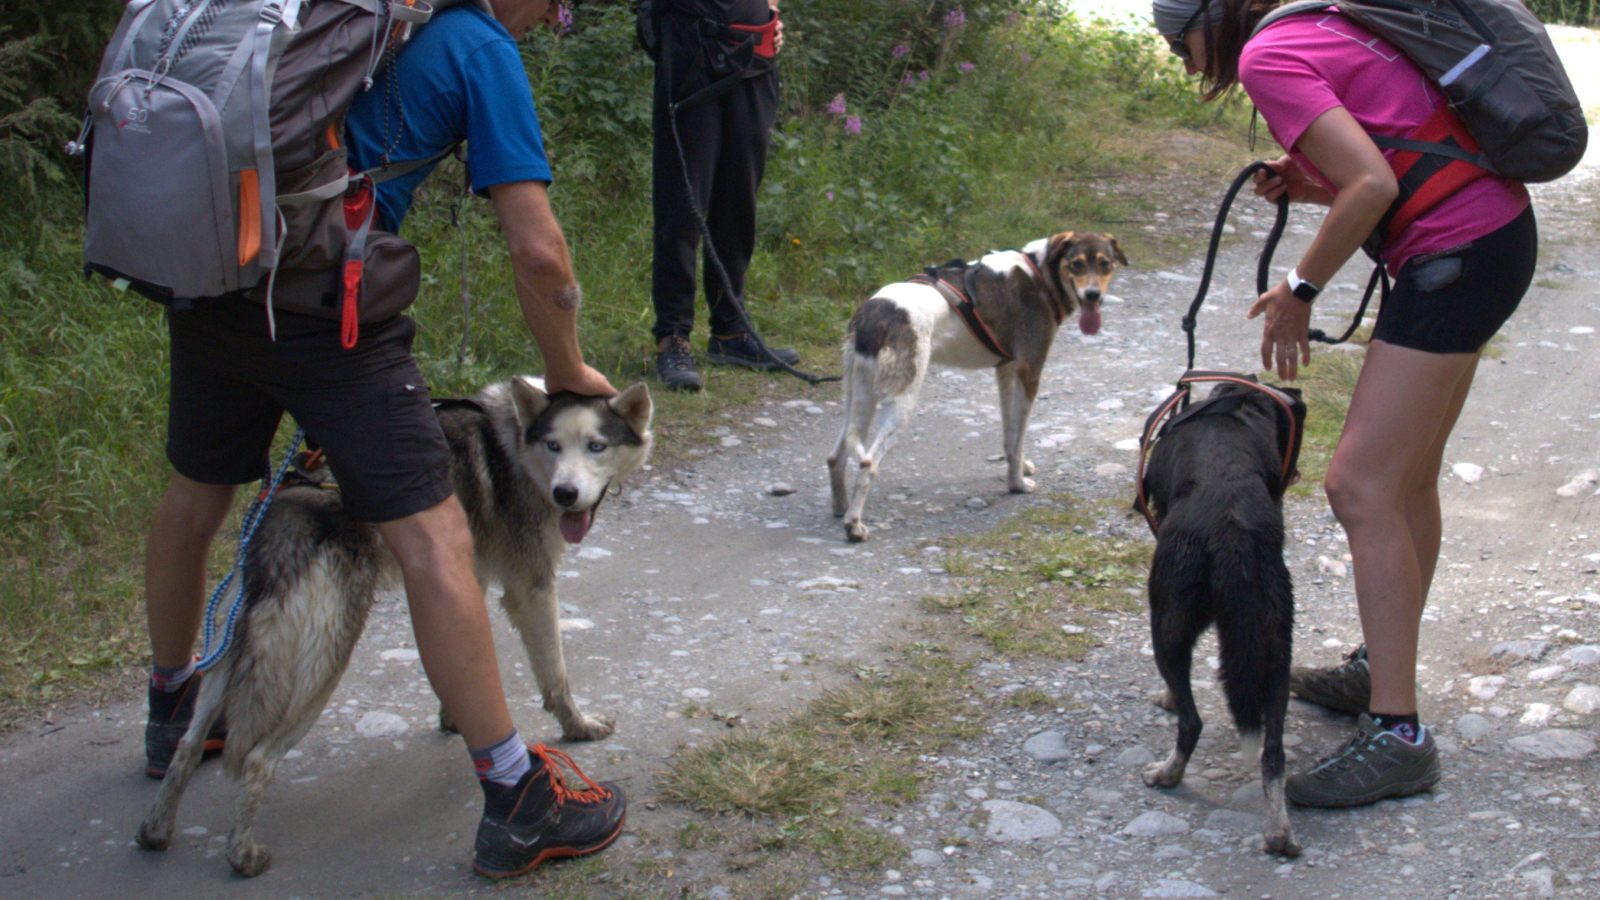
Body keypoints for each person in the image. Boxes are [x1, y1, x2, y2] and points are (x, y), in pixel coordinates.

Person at [142, 0, 625, 878]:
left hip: (215, 269)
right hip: (323, 295)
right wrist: (567, 369)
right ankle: (517, 795)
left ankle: (172, 710)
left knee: (195, 494)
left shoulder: (356, 17)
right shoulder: (478, 43)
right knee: (436, 534)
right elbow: (538, 249)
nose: (552, 13)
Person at [1152, 0, 1535, 807]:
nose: (1185, 63)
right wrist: (1309, 179)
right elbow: (1390, 149)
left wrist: (1299, 289)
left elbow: (1374, 183)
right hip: (1491, 233)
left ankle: (1398, 733)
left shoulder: (1266, 54)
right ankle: (1376, 674)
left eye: (1175, 40)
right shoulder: (1316, 21)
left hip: (1454, 251)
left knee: (1357, 484)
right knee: (1406, 481)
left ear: (1208, 17)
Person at [648, 0, 800, 391]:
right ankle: (673, 338)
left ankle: (731, 333)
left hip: (757, 61)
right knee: (681, 206)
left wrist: (769, 14)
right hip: (692, 57)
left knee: (738, 202)